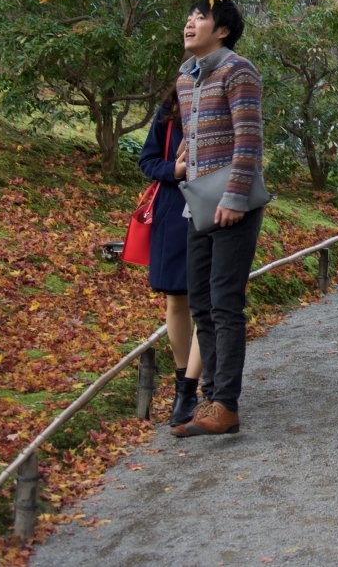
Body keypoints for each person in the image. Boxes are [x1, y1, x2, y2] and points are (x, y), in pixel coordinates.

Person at [171, 0, 264, 439]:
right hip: (198, 203)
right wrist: (181, 164)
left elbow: (248, 140)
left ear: (222, 29)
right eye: (189, 15)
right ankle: (210, 399)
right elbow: (193, 142)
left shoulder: (238, 70)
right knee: (202, 305)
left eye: (200, 17)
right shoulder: (185, 79)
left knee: (226, 303)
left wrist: (234, 198)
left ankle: (226, 403)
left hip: (233, 205)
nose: (190, 22)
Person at [137, 92, 206, 426]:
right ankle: (184, 385)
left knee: (205, 301)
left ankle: (192, 383)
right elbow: (147, 160)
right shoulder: (169, 110)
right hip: (172, 211)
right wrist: (173, 169)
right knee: (176, 298)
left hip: (211, 207)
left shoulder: (226, 102)